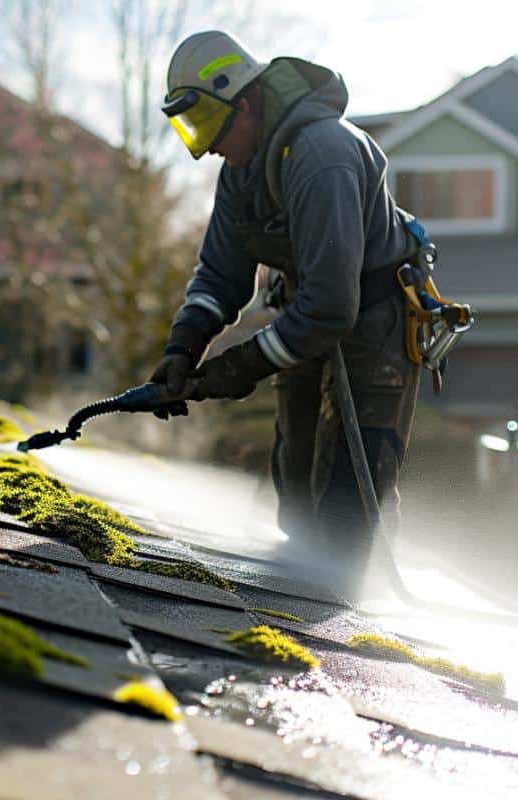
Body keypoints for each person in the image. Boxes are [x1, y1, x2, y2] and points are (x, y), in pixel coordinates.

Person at [149, 31, 422, 592]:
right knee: (295, 481)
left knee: (348, 496)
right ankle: (297, 603)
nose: (205, 148)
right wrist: (184, 347)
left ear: (245, 104)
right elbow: (220, 276)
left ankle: (349, 614)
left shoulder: (323, 154)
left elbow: (330, 307)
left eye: (207, 126)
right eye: (190, 131)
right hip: (309, 311)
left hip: (375, 324)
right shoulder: (241, 171)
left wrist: (235, 368)